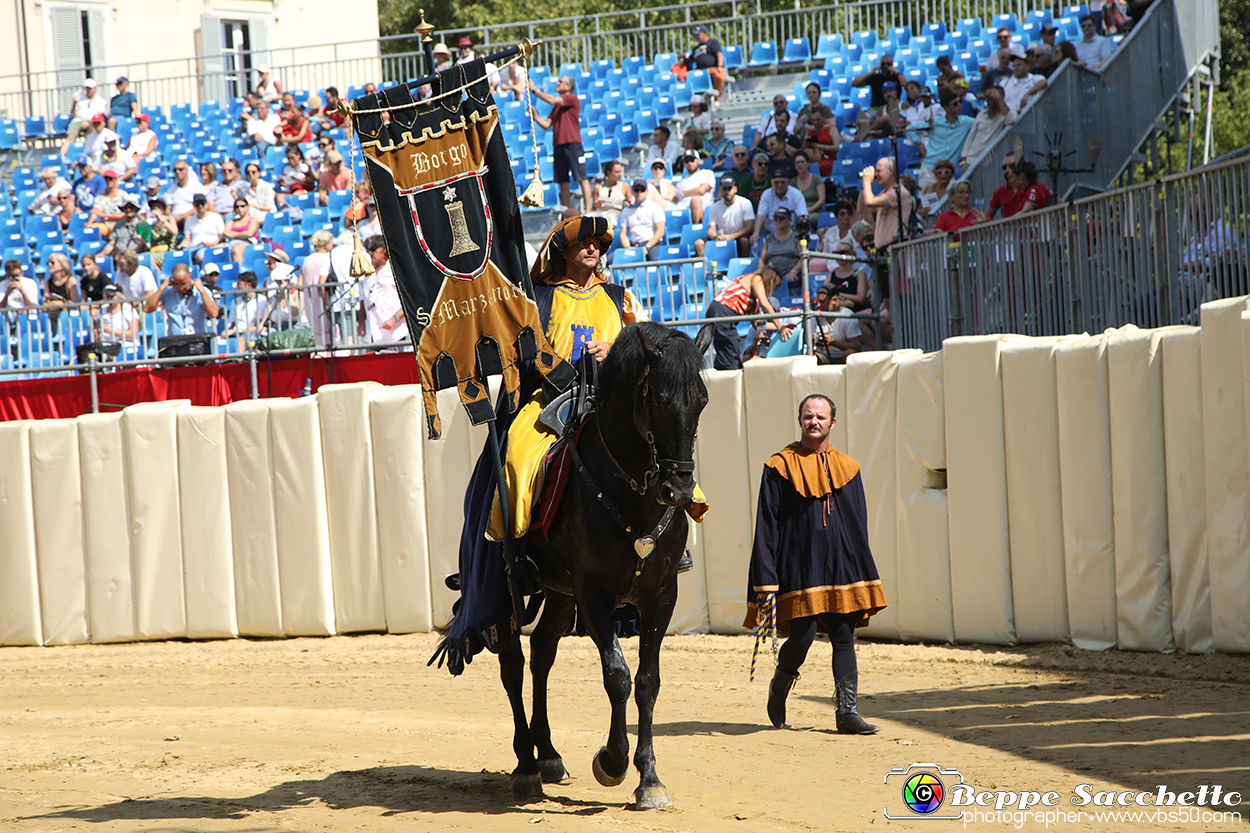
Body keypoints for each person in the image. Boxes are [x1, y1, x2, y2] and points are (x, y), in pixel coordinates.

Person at [745, 394, 887, 732]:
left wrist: (860, 565)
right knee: (802, 639)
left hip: (842, 566)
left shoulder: (848, 468)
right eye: (809, 416)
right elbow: (767, 525)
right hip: (800, 566)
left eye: (821, 417)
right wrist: (766, 576)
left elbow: (858, 522)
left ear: (833, 423)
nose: (815, 422)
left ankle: (847, 713)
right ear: (800, 420)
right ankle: (779, 687)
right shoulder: (779, 466)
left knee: (843, 636)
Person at [528, 74, 592, 213]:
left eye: (560, 81)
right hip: (559, 146)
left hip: (573, 144)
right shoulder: (557, 107)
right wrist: (536, 116)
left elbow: (551, 100)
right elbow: (546, 125)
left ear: (568, 86)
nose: (557, 83)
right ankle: (567, 211)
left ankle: (588, 210)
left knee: (582, 177)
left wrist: (534, 91)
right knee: (563, 180)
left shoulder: (571, 98)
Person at [704, 265, 787, 370]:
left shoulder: (752, 299)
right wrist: (779, 325)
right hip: (723, 310)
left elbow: (758, 323)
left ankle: (723, 375)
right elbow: (765, 304)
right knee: (731, 346)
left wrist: (765, 334)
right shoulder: (757, 279)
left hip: (720, 312)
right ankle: (729, 376)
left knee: (726, 348)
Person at [356, 236, 407, 348]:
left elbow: (408, 299)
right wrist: (361, 322)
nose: (370, 252)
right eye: (368, 249)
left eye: (374, 249)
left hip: (395, 331)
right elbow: (363, 299)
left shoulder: (394, 270)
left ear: (384, 250)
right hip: (373, 331)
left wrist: (395, 319)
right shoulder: (368, 273)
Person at [144, 262, 220, 334]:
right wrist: (161, 288)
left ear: (190, 277)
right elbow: (147, 309)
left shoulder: (201, 292)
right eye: (177, 284)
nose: (181, 288)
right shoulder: (168, 292)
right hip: (176, 341)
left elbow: (213, 313)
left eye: (183, 284)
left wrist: (202, 292)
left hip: (197, 339)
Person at [918, 93, 974, 188]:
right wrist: (921, 147)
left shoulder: (966, 122)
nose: (959, 105)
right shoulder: (935, 121)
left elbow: (981, 125)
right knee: (927, 200)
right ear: (946, 107)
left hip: (948, 173)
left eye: (959, 102)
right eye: (955, 104)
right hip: (929, 169)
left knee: (949, 200)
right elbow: (911, 129)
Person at [959, 85, 1015, 170]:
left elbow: (1011, 120)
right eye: (987, 97)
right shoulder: (981, 115)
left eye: (991, 97)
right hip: (971, 161)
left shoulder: (1007, 114)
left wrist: (999, 99)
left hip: (990, 163)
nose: (988, 100)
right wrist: (963, 159)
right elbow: (971, 137)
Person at [752, 170, 807, 250]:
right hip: (771, 232)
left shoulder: (796, 194)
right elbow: (761, 216)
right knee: (758, 240)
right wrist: (756, 233)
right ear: (771, 182)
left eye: (782, 182)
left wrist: (803, 232)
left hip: (792, 231)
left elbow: (802, 215)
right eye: (776, 182)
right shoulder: (766, 194)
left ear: (788, 182)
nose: (779, 185)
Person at [703, 175, 756, 257]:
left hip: (738, 237)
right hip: (722, 238)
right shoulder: (715, 207)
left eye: (729, 188)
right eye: (724, 189)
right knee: (699, 243)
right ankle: (706, 268)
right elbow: (710, 230)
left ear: (735, 189)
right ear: (720, 190)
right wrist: (715, 237)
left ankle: (742, 267)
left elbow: (749, 228)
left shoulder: (745, 203)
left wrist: (731, 237)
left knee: (745, 241)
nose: (727, 191)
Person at [300, 229, 335, 347]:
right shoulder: (328, 258)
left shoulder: (307, 260)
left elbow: (300, 284)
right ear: (327, 244)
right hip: (325, 300)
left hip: (311, 302)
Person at [811, 287, 863, 364]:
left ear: (834, 300)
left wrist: (833, 342)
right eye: (817, 302)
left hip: (843, 356)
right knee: (812, 358)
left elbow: (857, 346)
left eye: (822, 302)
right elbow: (810, 343)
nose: (819, 305)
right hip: (823, 356)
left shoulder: (847, 315)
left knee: (850, 353)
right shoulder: (815, 316)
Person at [617, 179, 667, 259]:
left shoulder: (655, 207)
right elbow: (623, 233)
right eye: (636, 190)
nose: (639, 192)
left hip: (652, 244)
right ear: (632, 191)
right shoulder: (626, 210)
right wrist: (627, 247)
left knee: (656, 260)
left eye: (642, 190)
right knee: (611, 260)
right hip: (634, 244)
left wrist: (647, 247)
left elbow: (660, 231)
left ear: (647, 191)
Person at [61, 79, 107, 156]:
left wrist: (88, 121)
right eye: (87, 88)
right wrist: (74, 103)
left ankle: (87, 152)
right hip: (77, 121)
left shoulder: (101, 101)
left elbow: (99, 115)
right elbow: (73, 115)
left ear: (94, 88)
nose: (88, 90)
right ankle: (62, 156)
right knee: (71, 137)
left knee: (92, 130)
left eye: (90, 88)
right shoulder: (80, 100)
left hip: (91, 122)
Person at [822, 242, 869, 311]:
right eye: (836, 253)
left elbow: (860, 298)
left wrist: (838, 294)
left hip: (855, 313)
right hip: (835, 313)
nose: (838, 256)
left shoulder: (860, 274)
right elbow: (824, 295)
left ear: (851, 254)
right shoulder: (830, 276)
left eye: (842, 252)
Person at [672, 151, 716, 224]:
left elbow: (701, 190)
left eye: (692, 160)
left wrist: (683, 193)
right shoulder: (681, 181)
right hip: (683, 207)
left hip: (703, 206)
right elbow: (677, 198)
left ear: (699, 160)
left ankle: (697, 232)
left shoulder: (707, 173)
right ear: (684, 164)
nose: (689, 163)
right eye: (686, 161)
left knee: (695, 200)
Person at [586, 159, 631, 229]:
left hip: (616, 212)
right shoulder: (598, 187)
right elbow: (594, 206)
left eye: (620, 171)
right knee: (587, 217)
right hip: (601, 211)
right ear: (608, 172)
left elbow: (630, 202)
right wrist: (597, 204)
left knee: (611, 218)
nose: (620, 174)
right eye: (616, 172)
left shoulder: (624, 186)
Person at [685, 24, 727, 100]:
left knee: (720, 76)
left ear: (705, 33)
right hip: (699, 71)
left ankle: (715, 98)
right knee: (685, 76)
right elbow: (690, 59)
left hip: (712, 69)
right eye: (695, 35)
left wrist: (720, 66)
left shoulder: (713, 43)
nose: (697, 36)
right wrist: (685, 57)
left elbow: (719, 54)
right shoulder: (696, 49)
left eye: (698, 34)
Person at [183, 194, 225, 263]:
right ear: (194, 206)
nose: (200, 206)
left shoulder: (216, 217)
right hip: (194, 247)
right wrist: (181, 246)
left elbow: (221, 237)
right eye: (197, 204)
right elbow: (187, 239)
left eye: (202, 203)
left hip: (211, 246)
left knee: (201, 257)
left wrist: (211, 244)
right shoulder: (189, 221)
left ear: (207, 204)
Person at [224, 271, 266, 339]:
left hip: (250, 334)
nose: (237, 286)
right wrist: (227, 332)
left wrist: (238, 331)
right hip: (236, 333)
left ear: (249, 285)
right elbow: (233, 324)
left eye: (239, 284)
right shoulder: (236, 301)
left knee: (241, 339)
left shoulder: (261, 300)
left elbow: (257, 326)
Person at [97, 283, 140, 348]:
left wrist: (109, 331)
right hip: (105, 345)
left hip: (126, 345)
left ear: (119, 296)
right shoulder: (101, 311)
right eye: (107, 296)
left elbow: (133, 334)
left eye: (112, 296)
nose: (109, 299)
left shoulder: (128, 309)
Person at [801, 110, 839, 178]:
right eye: (813, 120)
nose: (815, 122)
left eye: (818, 119)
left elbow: (836, 148)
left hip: (829, 159)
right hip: (813, 158)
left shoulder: (831, 130)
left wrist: (818, 146)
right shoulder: (810, 132)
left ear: (824, 117)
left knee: (820, 166)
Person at [224, 196, 261, 263]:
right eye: (237, 207)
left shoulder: (253, 220)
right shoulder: (231, 221)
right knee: (214, 250)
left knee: (236, 250)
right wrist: (243, 234)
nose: (240, 209)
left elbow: (249, 233)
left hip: (248, 242)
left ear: (247, 206)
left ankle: (238, 273)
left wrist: (232, 235)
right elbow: (226, 233)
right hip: (230, 242)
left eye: (242, 206)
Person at [791, 151, 825, 217]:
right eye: (797, 163)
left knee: (807, 220)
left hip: (815, 211)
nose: (800, 164)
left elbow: (822, 200)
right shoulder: (793, 182)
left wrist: (810, 209)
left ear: (808, 164)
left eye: (802, 162)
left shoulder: (816, 179)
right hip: (799, 212)